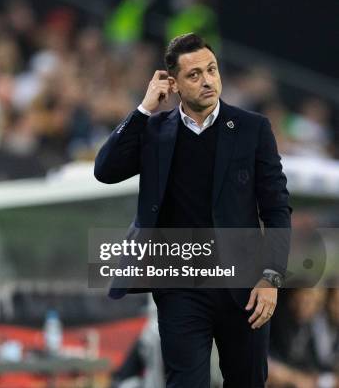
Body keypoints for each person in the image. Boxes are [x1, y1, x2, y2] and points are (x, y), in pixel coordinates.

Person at [95, 33, 291, 387]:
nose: (207, 81)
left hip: (244, 287)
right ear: (173, 83)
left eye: (211, 70)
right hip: (180, 286)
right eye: (194, 74)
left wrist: (272, 276)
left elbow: (277, 208)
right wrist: (143, 109)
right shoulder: (154, 130)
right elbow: (105, 170)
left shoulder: (252, 128)